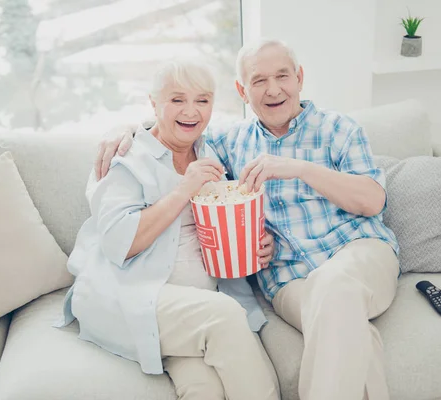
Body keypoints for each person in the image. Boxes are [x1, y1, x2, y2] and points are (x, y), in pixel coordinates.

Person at [97, 39, 400, 400]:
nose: (273, 89)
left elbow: (372, 201)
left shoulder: (339, 129)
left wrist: (300, 169)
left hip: (357, 254)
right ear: (242, 91)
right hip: (290, 282)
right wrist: (126, 130)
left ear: (299, 78)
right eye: (258, 81)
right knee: (350, 329)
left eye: (282, 76)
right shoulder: (228, 143)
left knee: (337, 287)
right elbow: (177, 131)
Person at [57, 58, 280, 400]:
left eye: (202, 100)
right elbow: (121, 244)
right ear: (154, 103)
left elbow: (230, 213)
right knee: (224, 318)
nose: (191, 111)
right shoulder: (127, 158)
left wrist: (257, 241)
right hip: (135, 294)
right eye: (177, 100)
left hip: (194, 304)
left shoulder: (211, 149)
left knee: (204, 389)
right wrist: (183, 190)